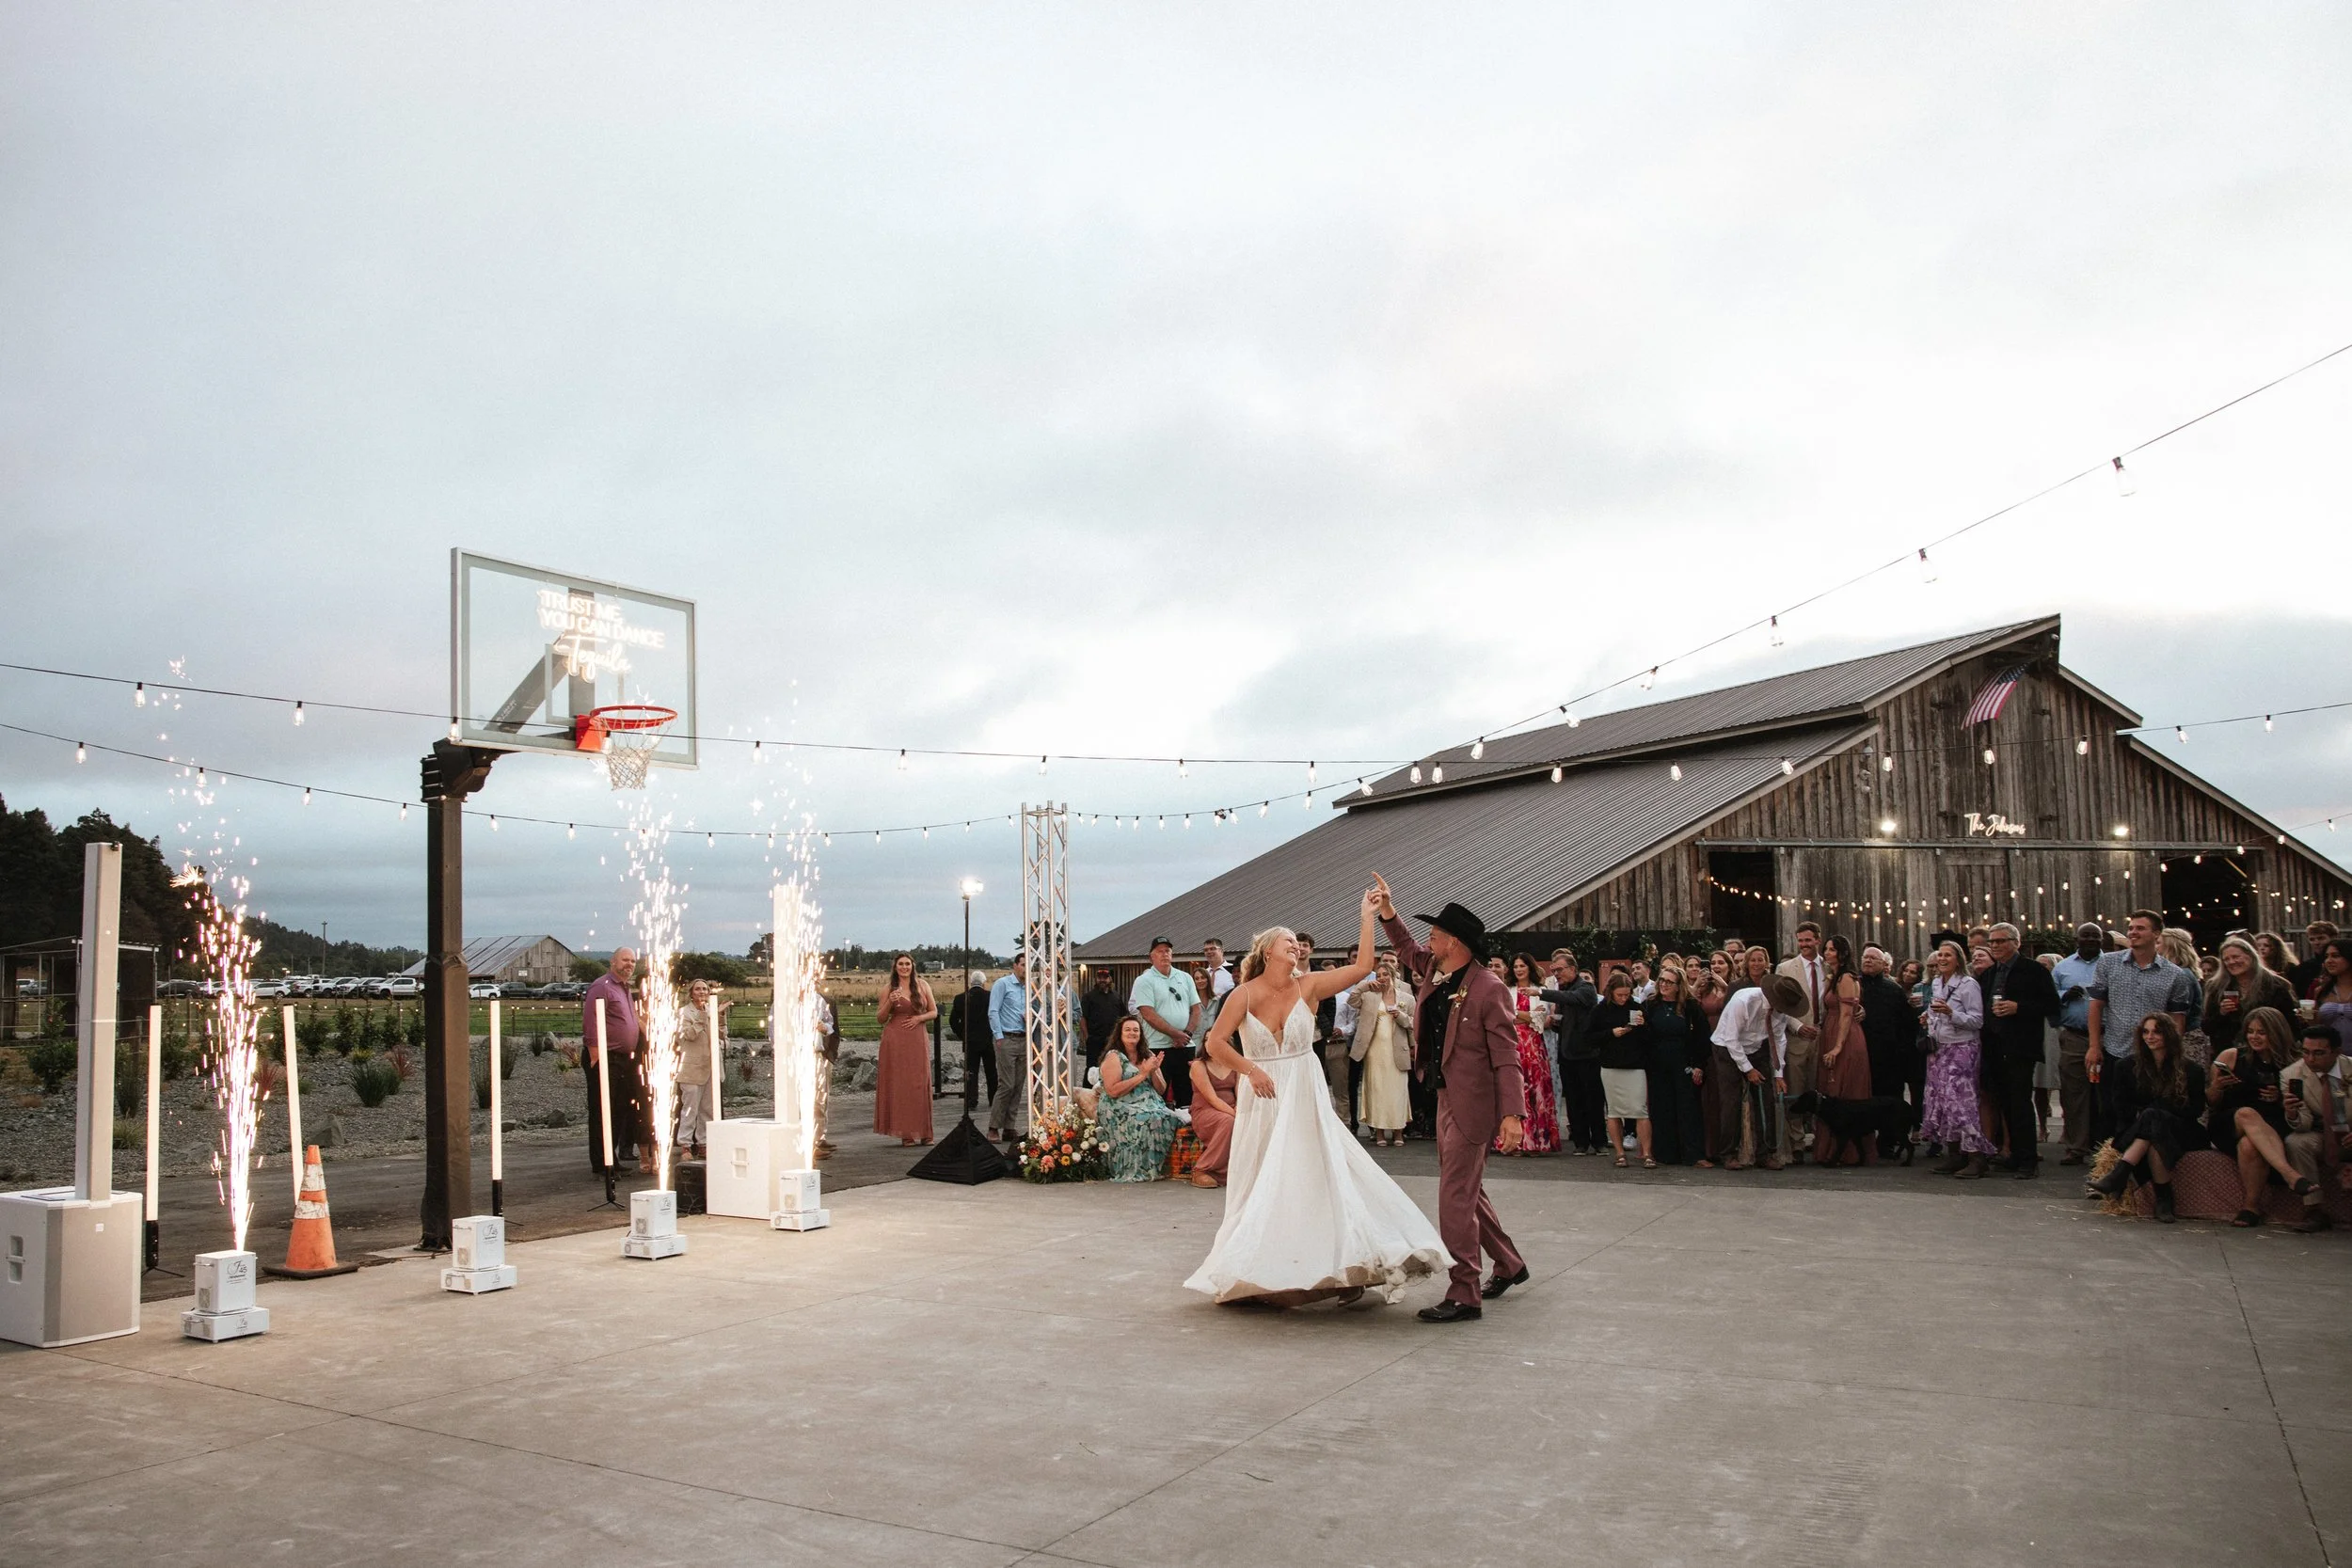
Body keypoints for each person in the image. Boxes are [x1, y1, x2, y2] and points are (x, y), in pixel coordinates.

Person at [1186, 886, 1449, 1309]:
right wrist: (1251, 1069)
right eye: (1287, 940)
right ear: (1268, 950)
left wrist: (1367, 914)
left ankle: (1347, 1262)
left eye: (1297, 942)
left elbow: (1364, 965)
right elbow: (1216, 1043)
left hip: (1303, 1091)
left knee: (1314, 1173)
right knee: (1265, 1179)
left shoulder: (1309, 986)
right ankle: (1261, 1267)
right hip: (1262, 1095)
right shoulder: (1244, 994)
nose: (1295, 946)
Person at [1374, 876, 1528, 1323]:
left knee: (1455, 1194)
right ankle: (1510, 1263)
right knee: (1466, 1188)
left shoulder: (1488, 988)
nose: (1429, 939)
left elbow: (1507, 1056)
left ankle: (1465, 1292)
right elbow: (1406, 948)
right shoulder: (1437, 970)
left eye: (1436, 934)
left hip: (1473, 1104)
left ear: (1455, 942)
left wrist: (1513, 1114)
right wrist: (1388, 910)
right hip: (1443, 1096)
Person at [2086, 911, 2199, 1161]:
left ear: (2156, 934)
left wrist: (2172, 1056)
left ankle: (2139, 1169)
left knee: (2148, 1111)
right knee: (2110, 1111)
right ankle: (2107, 1166)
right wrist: (2094, 1046)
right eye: (2131, 928)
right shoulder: (2108, 963)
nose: (2133, 933)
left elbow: (2177, 1020)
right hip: (2115, 1049)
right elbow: (2096, 1006)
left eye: (2140, 928)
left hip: (2153, 1056)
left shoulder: (2175, 975)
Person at [2086, 1014, 2208, 1223]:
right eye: (2146, 1032)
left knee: (2153, 1117)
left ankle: (2120, 1174)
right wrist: (2149, 1115)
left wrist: (2159, 1112)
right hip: (2137, 1126)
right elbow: (2120, 1107)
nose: (2150, 1037)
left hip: (2181, 1129)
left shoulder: (2191, 1070)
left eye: (2156, 1032)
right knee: (2153, 1133)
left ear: (2169, 1035)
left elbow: (2195, 1110)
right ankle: (2164, 1199)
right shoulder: (2126, 1066)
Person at [2207, 1006, 2312, 1227]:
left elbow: (2302, 1104)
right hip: (2229, 1122)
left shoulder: (2294, 1063)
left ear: (2276, 1032)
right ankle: (2290, 1175)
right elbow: (2210, 1101)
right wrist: (2217, 1086)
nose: (2254, 1037)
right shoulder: (2231, 1056)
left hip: (2272, 1126)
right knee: (2247, 1113)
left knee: (2249, 1145)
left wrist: (2279, 1099)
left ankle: (2250, 1208)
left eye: (2261, 1032)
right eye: (2251, 1031)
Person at [1979, 924, 2059, 1178]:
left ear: (2016, 942)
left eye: (2000, 941)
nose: (1995, 946)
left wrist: (2019, 1007)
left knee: (2020, 1103)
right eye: (1992, 942)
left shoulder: (2033, 970)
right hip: (1994, 1045)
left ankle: (2028, 1159)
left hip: (2020, 1047)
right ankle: (2012, 1153)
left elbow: (2051, 1004)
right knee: (2004, 1103)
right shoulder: (1989, 974)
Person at [1710, 974, 1805, 1169]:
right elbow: (1731, 1039)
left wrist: (1778, 1074)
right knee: (1732, 1101)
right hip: (1727, 1049)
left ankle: (1765, 1153)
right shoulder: (1743, 1001)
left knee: (1766, 1100)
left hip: (1757, 1048)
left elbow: (1779, 1039)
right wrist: (1748, 1069)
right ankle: (1728, 1153)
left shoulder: (1781, 1011)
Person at [1920, 940, 1996, 1179]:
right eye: (1940, 955)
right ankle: (1953, 1153)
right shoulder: (1936, 983)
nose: (1942, 959)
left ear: (1958, 960)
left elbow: (1977, 1021)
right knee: (1942, 1101)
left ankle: (1976, 1156)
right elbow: (1935, 1011)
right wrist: (1928, 1016)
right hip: (1938, 1049)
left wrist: (1951, 1014)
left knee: (1961, 1102)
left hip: (1962, 1048)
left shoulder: (1968, 985)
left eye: (1947, 956)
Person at [2280, 1023, 2349, 1232]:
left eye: (2319, 1053)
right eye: (2306, 1052)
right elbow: (2304, 1125)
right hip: (2324, 1134)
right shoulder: (2292, 1074)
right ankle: (2314, 1209)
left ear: (2336, 1052)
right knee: (2297, 1142)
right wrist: (2292, 1112)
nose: (2310, 1059)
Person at [1097, 1015, 1184, 1181]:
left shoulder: (1147, 1054)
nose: (1132, 1033)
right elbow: (1113, 1090)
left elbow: (1161, 1089)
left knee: (1169, 1117)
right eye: (1128, 1030)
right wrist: (1143, 1074)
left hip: (1150, 1103)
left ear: (1141, 1034)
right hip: (1120, 1105)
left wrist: (1153, 1071)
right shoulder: (1114, 1056)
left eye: (1136, 1030)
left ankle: (1156, 1167)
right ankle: (1137, 1169)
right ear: (1119, 1034)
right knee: (1146, 1119)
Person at [583, 948, 644, 1176]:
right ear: (613, 961)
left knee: (619, 1109)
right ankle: (601, 1162)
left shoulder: (625, 988)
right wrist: (595, 1052)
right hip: (605, 1056)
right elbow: (591, 1019)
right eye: (625, 960)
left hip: (623, 1059)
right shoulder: (602, 986)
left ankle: (612, 1156)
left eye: (633, 961)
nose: (629, 964)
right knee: (602, 1109)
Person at [2049, 924, 2105, 1165]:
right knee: (2074, 1093)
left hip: (2108, 1036)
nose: (2091, 939)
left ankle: (2105, 1147)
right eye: (2086, 935)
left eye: (2096, 936)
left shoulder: (2113, 963)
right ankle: (2076, 1147)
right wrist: (2064, 995)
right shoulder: (2063, 967)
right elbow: (2049, 999)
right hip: (2074, 1035)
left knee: (2105, 1094)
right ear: (2077, 939)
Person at [1858, 945, 1919, 1155]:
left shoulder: (1894, 990)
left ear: (1884, 965)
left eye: (1873, 959)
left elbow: (1905, 1024)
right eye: (1865, 957)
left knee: (1889, 1099)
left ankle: (1887, 1141)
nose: (1867, 961)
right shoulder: (1853, 985)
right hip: (1861, 1051)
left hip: (1888, 1055)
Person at [1642, 966, 1707, 1165]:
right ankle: (1665, 1154)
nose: (1664, 985)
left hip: (1683, 1062)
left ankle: (1693, 1155)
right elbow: (1643, 1035)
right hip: (1657, 1064)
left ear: (1679, 986)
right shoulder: (1650, 1005)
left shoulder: (1691, 1006)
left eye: (1669, 982)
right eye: (1662, 980)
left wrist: (1699, 1065)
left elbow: (1702, 1037)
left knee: (1688, 1109)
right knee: (1661, 1108)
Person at [1131, 938, 1203, 1112]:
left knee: (1187, 1097)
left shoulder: (1185, 977)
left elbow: (1196, 1009)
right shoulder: (1144, 980)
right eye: (1160, 951)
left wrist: (1186, 1034)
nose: (1165, 954)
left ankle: (1186, 1136)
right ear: (1151, 957)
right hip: (1158, 1047)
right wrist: (1174, 1034)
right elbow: (1148, 1013)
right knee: (1158, 1096)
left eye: (1168, 950)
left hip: (1185, 1045)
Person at [1589, 972, 1652, 1168]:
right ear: (1611, 992)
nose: (1623, 999)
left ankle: (1647, 1153)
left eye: (1626, 995)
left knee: (1640, 1110)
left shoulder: (1637, 1007)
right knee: (1614, 1111)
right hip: (1610, 1065)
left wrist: (1643, 1026)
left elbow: (1649, 1037)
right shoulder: (1600, 1010)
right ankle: (1619, 1152)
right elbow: (1588, 1036)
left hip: (1635, 1065)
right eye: (1620, 995)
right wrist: (1611, 1033)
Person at [1542, 957, 1603, 1156]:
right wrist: (1557, 1022)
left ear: (1573, 969)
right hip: (1567, 1054)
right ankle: (1580, 1142)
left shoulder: (1586, 988)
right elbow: (1565, 1018)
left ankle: (1600, 1142)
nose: (1556, 974)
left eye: (1560, 970)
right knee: (1574, 1101)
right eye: (1554, 971)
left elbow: (1573, 999)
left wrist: (1540, 992)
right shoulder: (1564, 990)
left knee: (1592, 1100)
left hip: (1587, 1054)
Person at [1352, 954, 1415, 1147]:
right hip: (1375, 1051)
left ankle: (1398, 1132)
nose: (1382, 978)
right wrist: (1364, 985)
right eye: (1378, 975)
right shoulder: (1369, 996)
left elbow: (1414, 1023)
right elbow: (1352, 1000)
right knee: (1377, 1090)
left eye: (1385, 975)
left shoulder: (1407, 997)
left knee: (1398, 1090)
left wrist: (1400, 1016)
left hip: (1397, 1048)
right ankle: (1379, 1132)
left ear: (1393, 975)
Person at [1775, 923, 1828, 1155]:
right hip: (1797, 1038)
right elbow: (1779, 1006)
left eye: (1808, 940)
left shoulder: (1830, 967)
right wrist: (1797, 1027)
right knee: (1795, 1091)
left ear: (1818, 940)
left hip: (1825, 1036)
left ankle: (1821, 1140)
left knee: (1822, 1089)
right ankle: (1796, 1142)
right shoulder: (1786, 968)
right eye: (1801, 941)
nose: (1804, 945)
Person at [1500, 955, 1560, 1155]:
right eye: (1515, 966)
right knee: (1516, 1091)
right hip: (1513, 1045)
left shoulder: (1538, 990)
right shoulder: (1507, 991)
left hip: (1534, 1048)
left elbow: (1541, 1019)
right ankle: (1515, 1141)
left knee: (1537, 1090)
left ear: (1530, 967)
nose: (1518, 969)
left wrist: (1517, 1014)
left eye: (1522, 965)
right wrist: (1524, 1016)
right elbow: (1503, 1015)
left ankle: (1537, 1141)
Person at [874, 954, 936, 1147]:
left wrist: (919, 1019)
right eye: (900, 964)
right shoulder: (888, 989)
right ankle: (906, 1132)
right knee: (902, 1085)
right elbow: (880, 1018)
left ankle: (925, 1132)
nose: (904, 967)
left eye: (907, 963)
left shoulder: (923, 985)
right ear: (895, 967)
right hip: (896, 1040)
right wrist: (891, 1002)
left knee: (920, 1081)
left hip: (917, 1037)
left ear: (913, 966)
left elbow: (934, 1011)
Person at [2202, 934, 2296, 1061]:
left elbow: (2290, 1024)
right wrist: (2221, 1013)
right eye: (2226, 959)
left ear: (2251, 956)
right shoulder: (2217, 987)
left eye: (2236, 957)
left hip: (2270, 1055)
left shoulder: (2274, 985)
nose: (2231, 962)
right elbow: (2207, 1027)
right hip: (2230, 1057)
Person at [987, 959, 1030, 1145]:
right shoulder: (1003, 984)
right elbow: (993, 1011)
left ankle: (1009, 1127)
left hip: (1024, 1037)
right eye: (1022, 964)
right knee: (1007, 1084)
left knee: (1019, 1085)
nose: (1025, 968)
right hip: (1006, 1037)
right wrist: (998, 1035)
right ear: (1015, 966)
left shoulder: (1030, 988)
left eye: (1028, 965)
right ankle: (993, 1127)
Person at [674, 977, 718, 1161]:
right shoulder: (683, 1013)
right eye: (698, 989)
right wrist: (701, 1017)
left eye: (705, 989)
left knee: (707, 1109)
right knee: (690, 1108)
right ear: (691, 992)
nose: (702, 992)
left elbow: (719, 1036)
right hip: (691, 1067)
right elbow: (688, 1035)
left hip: (710, 1066)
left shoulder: (711, 1010)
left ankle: (704, 1143)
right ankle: (685, 1144)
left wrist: (720, 1024)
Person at [1187, 1048, 1240, 1187]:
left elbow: (1240, 1092)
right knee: (1228, 1122)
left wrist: (1240, 1108)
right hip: (1206, 1110)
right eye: (1207, 1039)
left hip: (1231, 1107)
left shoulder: (1235, 1064)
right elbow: (1212, 1099)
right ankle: (1203, 1169)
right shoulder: (1199, 1065)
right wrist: (1235, 1114)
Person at [951, 971, 996, 1115]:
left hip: (970, 1040)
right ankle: (993, 1098)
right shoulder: (991, 997)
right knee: (991, 1071)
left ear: (971, 982)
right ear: (984, 983)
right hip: (988, 1039)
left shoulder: (960, 999)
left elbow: (953, 1021)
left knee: (971, 1071)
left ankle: (971, 1100)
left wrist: (962, 1034)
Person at [2308, 938, 2352, 1052]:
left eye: (2335, 956)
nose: (2329, 961)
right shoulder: (2321, 990)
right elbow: (2317, 1028)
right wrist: (2309, 1017)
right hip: (2332, 1057)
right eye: (2326, 956)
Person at [1080, 970, 1125, 1069]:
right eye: (1100, 978)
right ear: (1096, 980)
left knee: (1113, 1067)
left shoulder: (1116, 996)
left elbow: (1123, 1017)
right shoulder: (1088, 997)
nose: (1102, 980)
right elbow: (1083, 1018)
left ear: (1110, 979)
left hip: (1113, 1040)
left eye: (1105, 978)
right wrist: (1087, 1037)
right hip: (1094, 1041)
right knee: (1093, 1069)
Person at [2292, 921, 2341, 999]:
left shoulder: (2345, 963)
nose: (2316, 942)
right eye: (2312, 939)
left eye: (2321, 938)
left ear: (2334, 938)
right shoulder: (2304, 968)